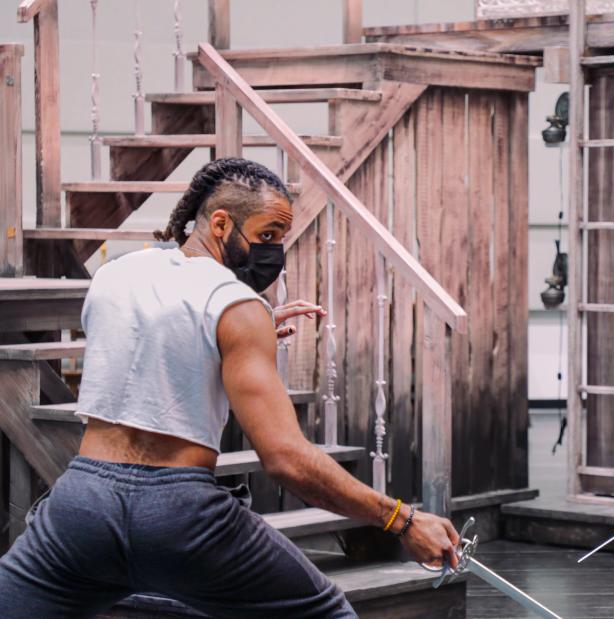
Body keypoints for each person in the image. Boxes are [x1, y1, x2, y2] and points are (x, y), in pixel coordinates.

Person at [0, 158, 459, 618]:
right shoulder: (237, 304)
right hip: (179, 515)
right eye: (267, 236)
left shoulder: (115, 275)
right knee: (327, 612)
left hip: (83, 505)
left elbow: (151, 341)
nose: (274, 252)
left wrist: (237, 333)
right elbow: (286, 460)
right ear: (221, 223)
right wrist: (401, 518)